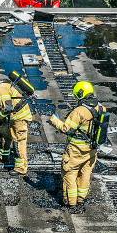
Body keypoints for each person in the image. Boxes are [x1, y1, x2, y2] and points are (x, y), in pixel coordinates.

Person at [48, 81, 104, 213]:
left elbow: (66, 128)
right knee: (85, 173)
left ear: (80, 94)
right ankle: (81, 199)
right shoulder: (101, 107)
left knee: (69, 174)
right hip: (92, 149)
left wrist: (54, 120)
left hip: (76, 149)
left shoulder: (79, 111)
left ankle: (71, 203)